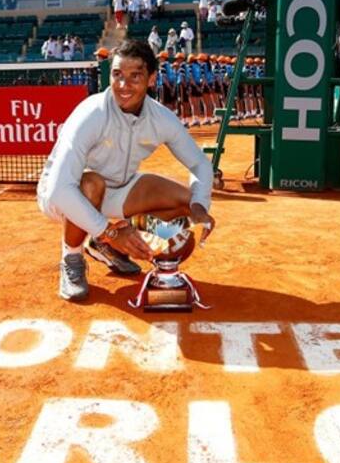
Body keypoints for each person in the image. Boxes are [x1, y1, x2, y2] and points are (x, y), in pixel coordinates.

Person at [37, 39, 215, 302]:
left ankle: (101, 244)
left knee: (183, 220)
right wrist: (110, 232)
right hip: (66, 194)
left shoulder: (161, 117)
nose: (123, 85)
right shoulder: (91, 113)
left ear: (152, 79)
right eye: (117, 75)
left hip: (121, 190)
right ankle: (72, 258)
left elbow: (199, 162)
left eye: (135, 76)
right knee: (92, 183)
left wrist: (200, 203)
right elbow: (60, 188)